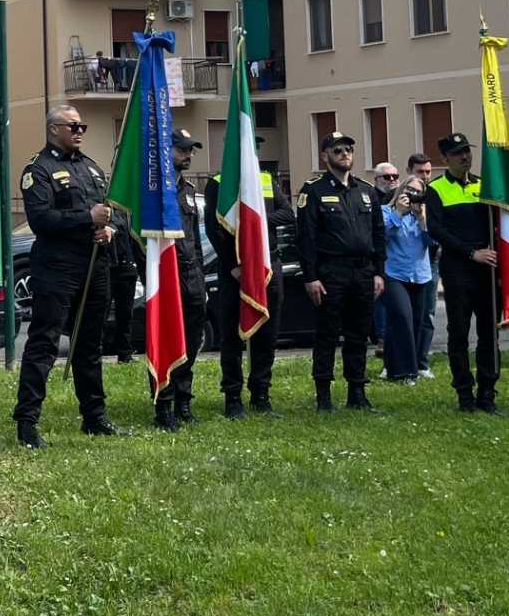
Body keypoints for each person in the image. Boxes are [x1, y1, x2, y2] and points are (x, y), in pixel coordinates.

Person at [13, 104, 121, 447]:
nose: (79, 131)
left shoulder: (92, 169)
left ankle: (94, 416)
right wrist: (86, 218)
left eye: (82, 127)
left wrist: (111, 230)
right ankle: (27, 422)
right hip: (57, 269)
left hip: (94, 265)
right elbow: (41, 219)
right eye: (73, 126)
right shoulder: (39, 170)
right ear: (53, 129)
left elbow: (111, 213)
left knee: (90, 344)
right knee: (44, 344)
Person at [204, 136, 296, 416]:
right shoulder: (219, 182)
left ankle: (261, 394)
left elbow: (287, 213)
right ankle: (233, 397)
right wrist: (232, 264)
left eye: (254, 148)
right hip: (235, 270)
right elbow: (213, 226)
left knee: (267, 335)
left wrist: (257, 219)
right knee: (232, 336)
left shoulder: (266, 180)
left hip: (267, 268)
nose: (251, 153)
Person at [297, 131, 386, 411]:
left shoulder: (365, 190)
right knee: (327, 334)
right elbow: (307, 238)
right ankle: (324, 395)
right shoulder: (313, 190)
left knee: (359, 333)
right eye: (337, 150)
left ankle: (357, 392)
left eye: (348, 149)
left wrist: (378, 271)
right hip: (330, 273)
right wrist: (310, 276)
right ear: (325, 156)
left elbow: (378, 233)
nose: (345, 154)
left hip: (362, 272)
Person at [425, 132, 501, 413]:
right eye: (458, 153)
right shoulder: (437, 189)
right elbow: (436, 230)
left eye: (467, 151)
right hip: (459, 269)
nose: (465, 156)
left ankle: (488, 392)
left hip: (487, 268)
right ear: (445, 159)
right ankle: (465, 395)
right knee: (459, 332)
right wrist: (471, 253)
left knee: (489, 334)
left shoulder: (484, 186)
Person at [156, 130, 207, 430]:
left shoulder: (187, 190)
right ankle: (164, 405)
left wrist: (200, 276)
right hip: (166, 275)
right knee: (166, 341)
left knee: (191, 341)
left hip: (191, 276)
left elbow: (197, 241)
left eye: (190, 151)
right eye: (182, 150)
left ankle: (183, 401)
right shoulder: (154, 191)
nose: (188, 155)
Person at [380, 176, 434, 384]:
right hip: (394, 273)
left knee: (415, 323)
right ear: (400, 191)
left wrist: (422, 220)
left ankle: (392, 368)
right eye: (408, 190)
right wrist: (398, 214)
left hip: (420, 274)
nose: (412, 195)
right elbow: (381, 235)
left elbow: (434, 242)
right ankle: (408, 372)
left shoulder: (424, 214)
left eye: (417, 191)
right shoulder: (387, 211)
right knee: (403, 318)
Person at [408, 153, 439, 379]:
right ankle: (402, 360)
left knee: (427, 313)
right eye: (421, 172)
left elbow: (438, 234)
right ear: (411, 171)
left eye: (428, 171)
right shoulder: (400, 195)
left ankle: (422, 362)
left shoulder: (435, 197)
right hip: (405, 263)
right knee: (405, 315)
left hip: (431, 260)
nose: (426, 176)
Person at [103, 202, 142, 365]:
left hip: (127, 267)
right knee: (100, 313)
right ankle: (96, 350)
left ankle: (124, 353)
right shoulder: (107, 206)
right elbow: (113, 223)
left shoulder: (131, 209)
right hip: (107, 267)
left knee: (125, 314)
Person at [370, 162, 400, 346]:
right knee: (379, 298)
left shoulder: (402, 196)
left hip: (399, 257)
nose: (392, 180)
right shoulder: (371, 196)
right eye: (387, 177)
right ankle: (380, 336)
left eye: (395, 177)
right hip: (378, 256)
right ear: (376, 179)